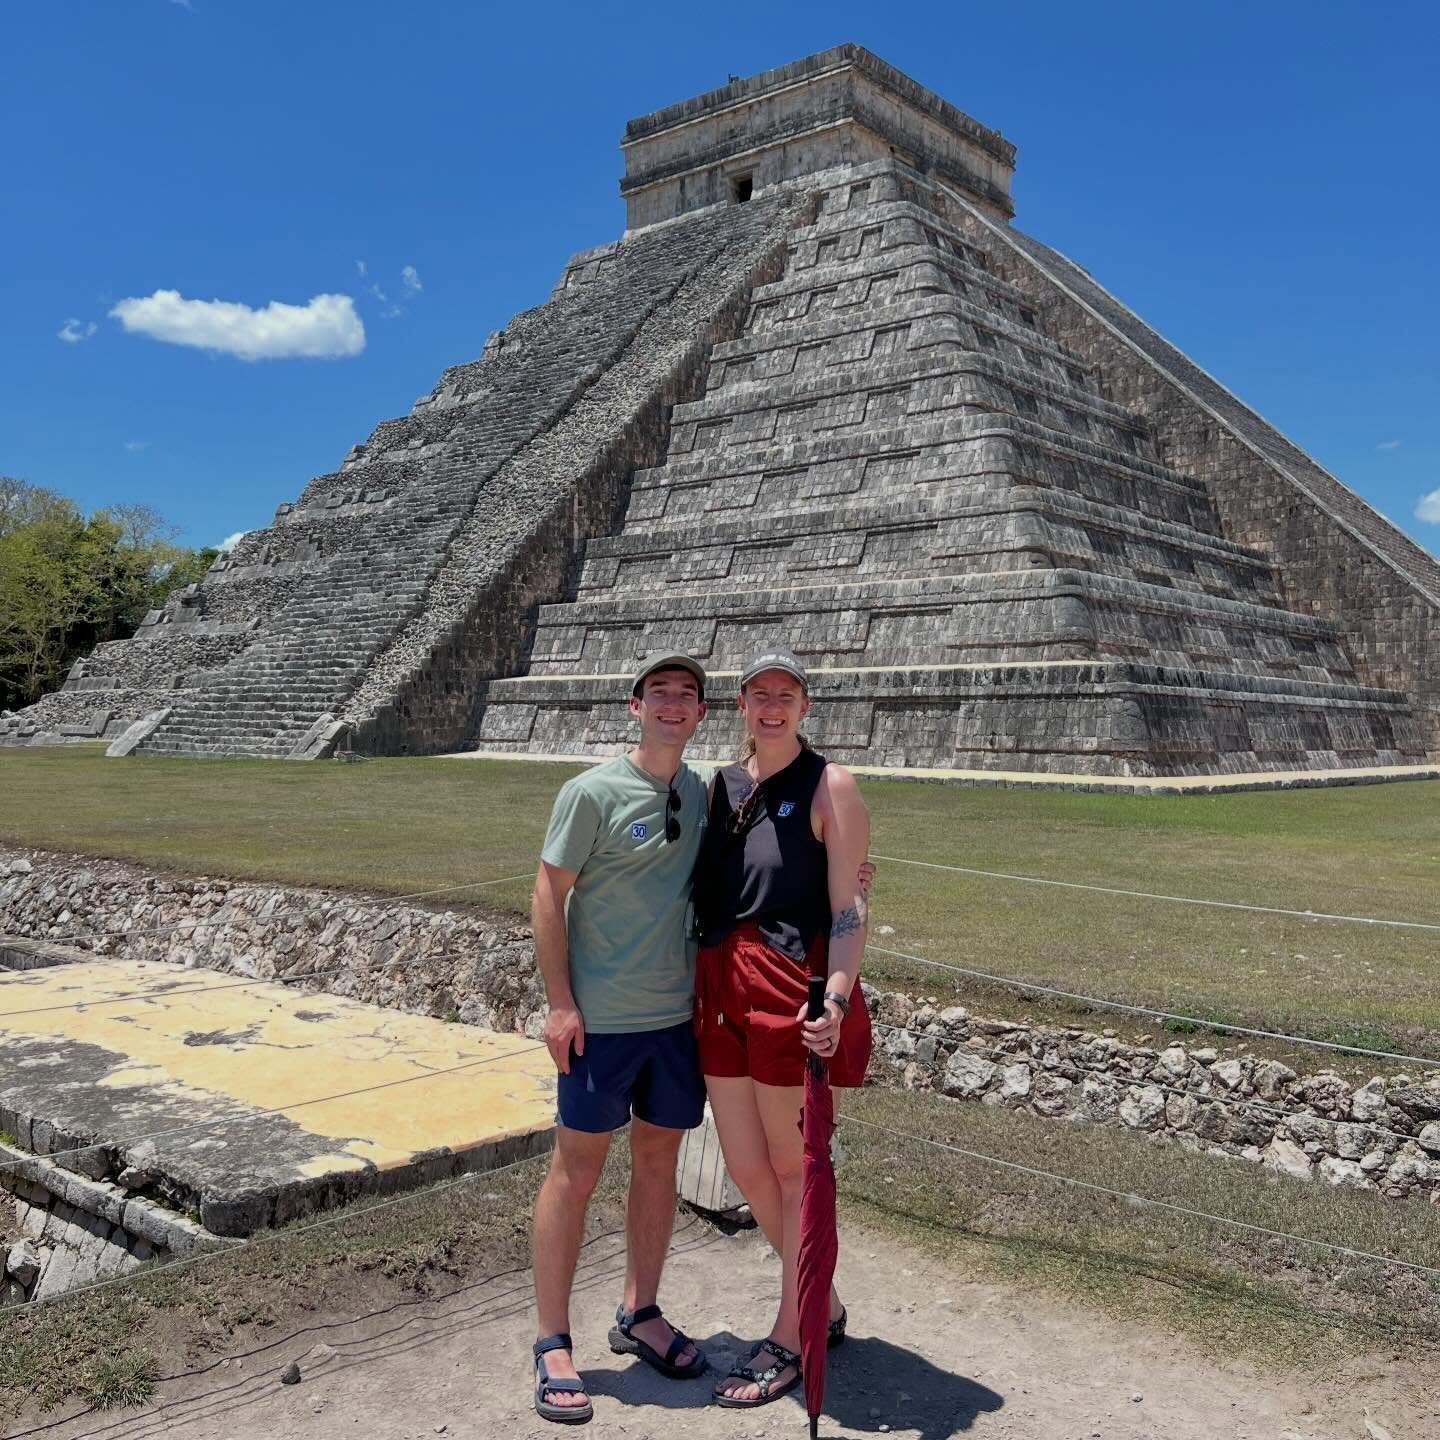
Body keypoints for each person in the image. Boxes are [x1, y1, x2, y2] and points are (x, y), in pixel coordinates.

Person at [529, 650, 713, 1424]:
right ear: (633, 707)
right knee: (576, 1170)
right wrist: (561, 1003)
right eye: (659, 693)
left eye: (688, 695)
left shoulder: (701, 792)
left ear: (701, 714)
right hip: (601, 1021)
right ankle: (550, 1339)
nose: (674, 704)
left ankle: (641, 1311)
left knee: (658, 1162)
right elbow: (546, 894)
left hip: (674, 1019)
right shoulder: (592, 791)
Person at [692, 646, 873, 1410]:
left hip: (785, 984)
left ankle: (792, 1332)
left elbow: (848, 909)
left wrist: (834, 998)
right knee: (745, 1163)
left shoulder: (831, 784)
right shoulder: (722, 787)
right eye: (758, 694)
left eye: (786, 694)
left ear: (804, 705)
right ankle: (820, 1299)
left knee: (791, 1164)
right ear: (741, 705)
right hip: (719, 984)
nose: (772, 706)